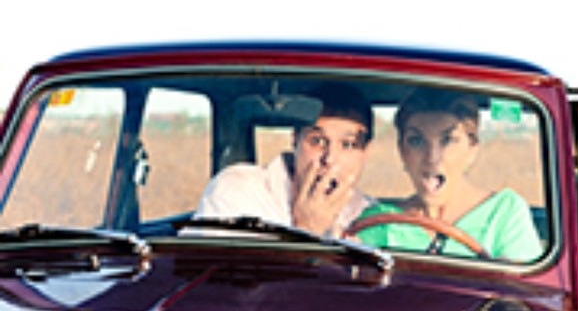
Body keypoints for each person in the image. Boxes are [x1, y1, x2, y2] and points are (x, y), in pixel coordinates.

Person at [355, 88, 542, 261]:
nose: (432, 158)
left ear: (472, 149)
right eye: (416, 141)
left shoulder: (503, 213)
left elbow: (524, 283)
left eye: (448, 140)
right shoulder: (380, 221)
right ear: (402, 152)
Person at [193, 82, 375, 238]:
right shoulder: (237, 191)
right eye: (317, 141)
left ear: (366, 152)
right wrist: (306, 229)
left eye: (348, 144)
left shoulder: (370, 215)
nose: (329, 159)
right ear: (295, 140)